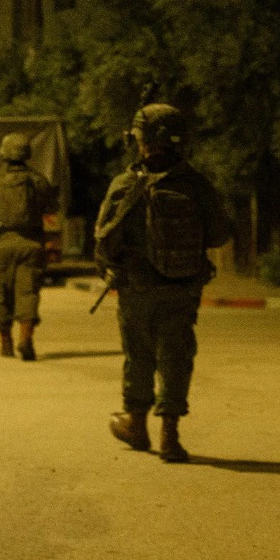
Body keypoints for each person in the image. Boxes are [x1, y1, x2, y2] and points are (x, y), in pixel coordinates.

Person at [94, 103, 233, 464]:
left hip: (136, 287)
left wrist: (114, 267)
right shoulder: (196, 184)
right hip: (183, 288)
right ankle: (170, 436)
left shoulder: (125, 184)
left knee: (137, 356)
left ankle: (137, 425)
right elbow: (219, 234)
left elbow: (104, 243)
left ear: (141, 141)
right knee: (176, 356)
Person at [0, 133, 58, 361]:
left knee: (3, 294)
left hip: (1, 244)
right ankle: (25, 338)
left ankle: (5, 342)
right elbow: (52, 208)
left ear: (4, 154)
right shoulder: (38, 181)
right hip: (31, 244)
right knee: (28, 293)